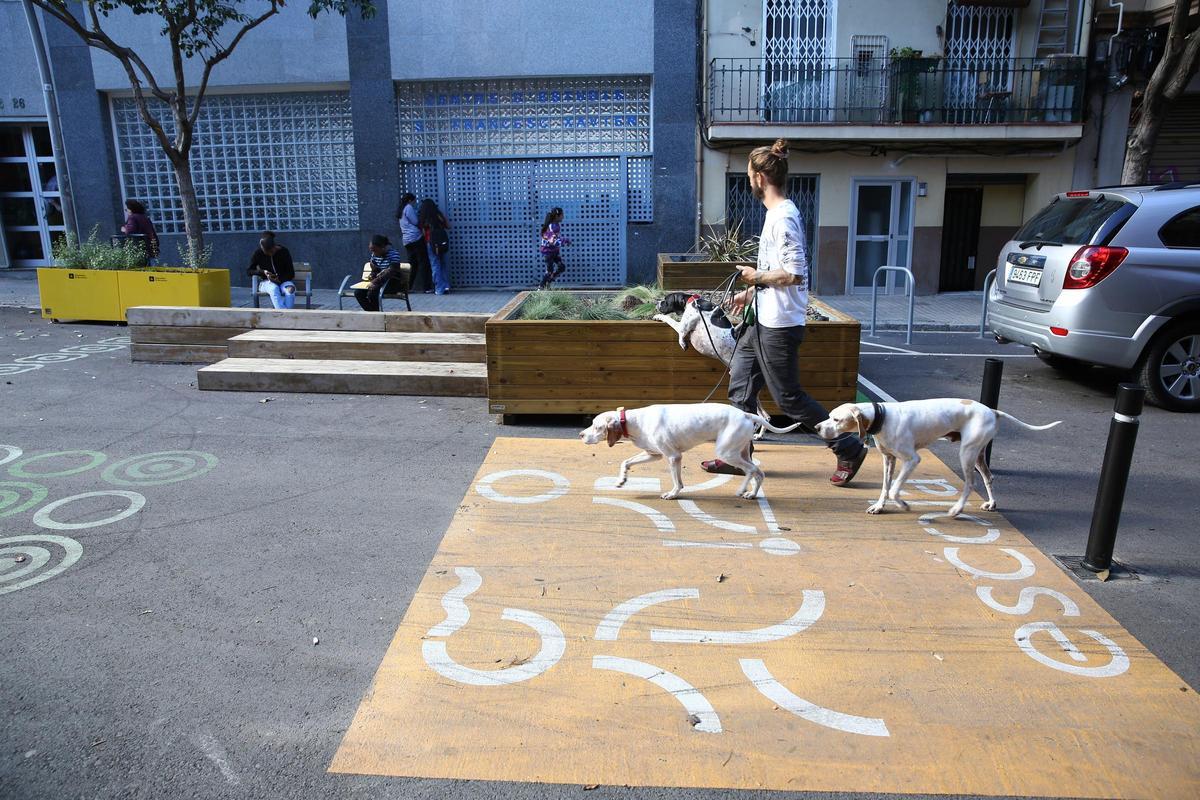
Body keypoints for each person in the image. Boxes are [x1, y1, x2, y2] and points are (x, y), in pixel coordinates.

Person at [702, 138, 867, 487]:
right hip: (761, 321)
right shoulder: (775, 215)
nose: (749, 180)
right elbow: (778, 272)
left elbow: (794, 273)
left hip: (778, 326)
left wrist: (755, 275)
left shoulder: (784, 218)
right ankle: (738, 457)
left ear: (760, 177)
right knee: (741, 389)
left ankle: (848, 447)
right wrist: (751, 292)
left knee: (789, 398)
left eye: (749, 174)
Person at [356, 234, 406, 312]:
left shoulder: (393, 254)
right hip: (380, 282)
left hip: (392, 283)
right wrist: (372, 275)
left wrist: (375, 282)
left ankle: (375, 315)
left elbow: (391, 272)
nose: (373, 253)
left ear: (382, 248)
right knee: (358, 293)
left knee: (372, 292)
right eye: (371, 250)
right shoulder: (374, 256)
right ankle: (373, 313)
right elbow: (375, 270)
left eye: (374, 250)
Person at [246, 231, 296, 309]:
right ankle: (286, 315)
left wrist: (279, 279)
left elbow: (291, 273)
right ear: (262, 249)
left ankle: (284, 315)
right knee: (274, 289)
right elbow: (249, 271)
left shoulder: (284, 251)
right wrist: (263, 272)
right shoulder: (258, 253)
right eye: (267, 252)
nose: (270, 254)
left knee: (290, 290)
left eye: (272, 252)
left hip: (283, 281)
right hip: (266, 282)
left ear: (274, 246)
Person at [398, 193, 432, 293]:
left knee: (412, 264)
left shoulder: (401, 209)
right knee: (424, 262)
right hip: (416, 238)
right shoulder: (408, 207)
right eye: (413, 201)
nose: (414, 203)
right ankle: (427, 287)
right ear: (410, 200)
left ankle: (408, 287)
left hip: (407, 240)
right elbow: (416, 221)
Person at [418, 198, 451, 295]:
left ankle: (439, 288)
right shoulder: (438, 215)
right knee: (442, 263)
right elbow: (448, 226)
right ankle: (446, 286)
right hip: (442, 243)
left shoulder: (424, 218)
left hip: (431, 243)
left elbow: (423, 233)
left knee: (435, 264)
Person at [537, 207, 571, 289]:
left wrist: (564, 240)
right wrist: (564, 241)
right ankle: (540, 288)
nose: (563, 217)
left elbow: (556, 238)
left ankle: (549, 281)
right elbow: (553, 241)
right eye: (562, 215)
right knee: (549, 271)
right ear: (557, 216)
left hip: (554, 252)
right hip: (548, 252)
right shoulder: (551, 227)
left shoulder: (556, 225)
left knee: (561, 267)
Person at [121, 199, 159, 266]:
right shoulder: (145, 218)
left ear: (131, 209)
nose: (126, 211)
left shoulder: (132, 218)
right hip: (149, 247)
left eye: (126, 209)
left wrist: (124, 229)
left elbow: (130, 231)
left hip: (139, 248)